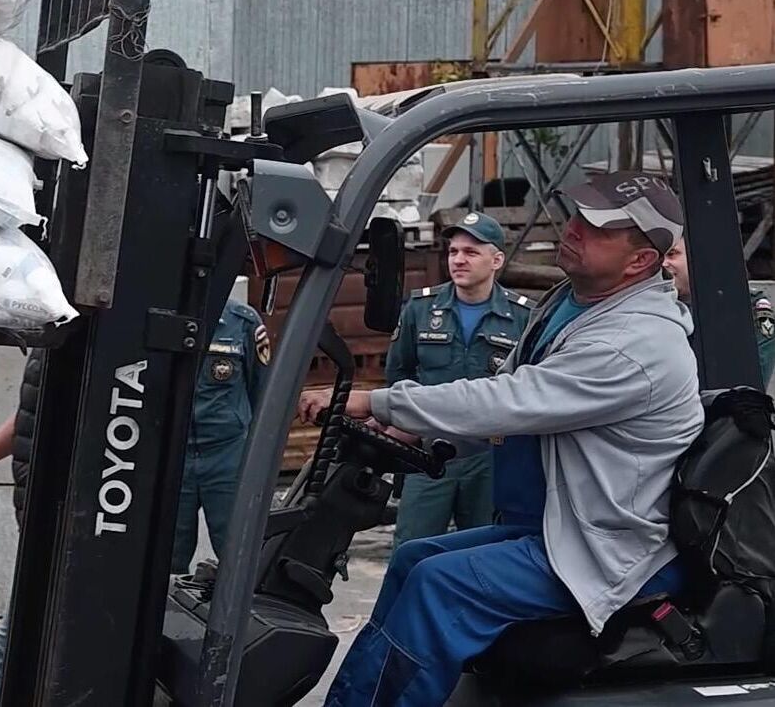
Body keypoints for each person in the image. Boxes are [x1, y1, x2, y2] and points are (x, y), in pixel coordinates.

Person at [298, 172, 704, 707]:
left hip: (603, 548)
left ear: (639, 262)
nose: (575, 229)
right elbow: (506, 407)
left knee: (439, 587)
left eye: (599, 228)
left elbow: (512, 399)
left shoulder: (635, 342)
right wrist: (418, 434)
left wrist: (380, 401)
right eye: (577, 216)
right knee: (413, 559)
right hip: (553, 527)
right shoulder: (573, 304)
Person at [0, 292, 270, 707]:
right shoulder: (88, 336)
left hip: (222, 461)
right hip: (119, 484)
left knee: (242, 570)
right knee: (150, 584)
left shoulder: (235, 322)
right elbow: (28, 415)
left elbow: (264, 399)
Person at [384, 212, 534, 544]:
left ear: (496, 260)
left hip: (490, 458)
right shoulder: (420, 309)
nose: (459, 260)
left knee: (483, 553)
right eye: (453, 252)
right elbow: (398, 374)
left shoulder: (523, 317)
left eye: (471, 252)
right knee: (411, 547)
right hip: (427, 452)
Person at [661, 233, 775, 386]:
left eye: (672, 254)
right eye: (659, 258)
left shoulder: (746, 305)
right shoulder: (654, 305)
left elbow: (755, 373)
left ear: (697, 256)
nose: (663, 264)